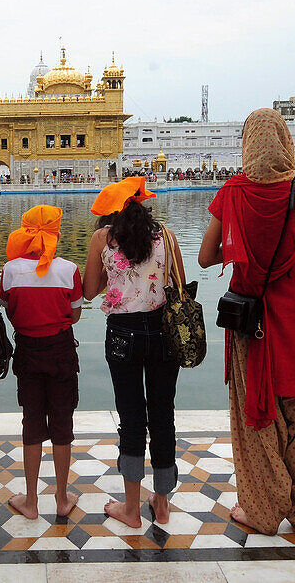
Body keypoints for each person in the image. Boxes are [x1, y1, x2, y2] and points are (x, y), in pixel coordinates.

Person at [198, 108, 295, 535]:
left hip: (253, 318)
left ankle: (263, 512)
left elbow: (207, 257)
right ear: (285, 140)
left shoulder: (232, 192)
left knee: (259, 411)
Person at [82, 176, 187, 529]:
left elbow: (89, 291)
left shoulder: (103, 238)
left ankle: (130, 508)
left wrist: (116, 280)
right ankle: (161, 501)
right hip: (162, 333)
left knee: (131, 418)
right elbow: (180, 287)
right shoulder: (167, 237)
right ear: (143, 204)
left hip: (122, 335)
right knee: (162, 413)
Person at [0, 205, 83, 519]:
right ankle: (62, 498)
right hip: (60, 351)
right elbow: (74, 314)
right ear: (56, 232)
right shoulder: (68, 269)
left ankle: (31, 500)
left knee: (32, 423)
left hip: (27, 351)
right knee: (62, 423)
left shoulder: (10, 270)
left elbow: (9, 309)